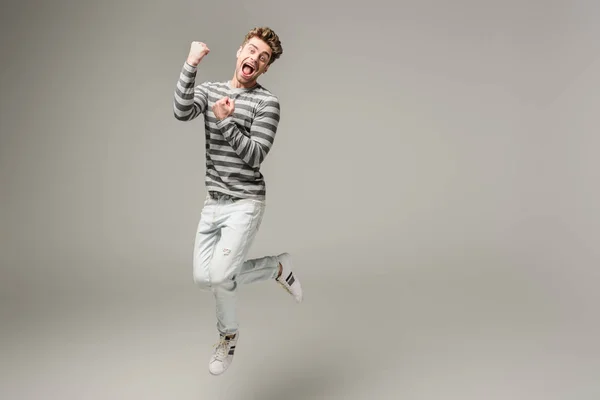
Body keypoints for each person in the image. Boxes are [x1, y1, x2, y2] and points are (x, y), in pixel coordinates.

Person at [172, 26, 303, 376]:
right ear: (239, 51)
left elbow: (256, 156)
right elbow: (182, 111)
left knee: (220, 276)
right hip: (213, 201)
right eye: (252, 50)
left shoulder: (267, 103)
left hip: (246, 201)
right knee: (206, 277)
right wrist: (191, 63)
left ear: (266, 68)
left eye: (263, 58)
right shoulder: (212, 90)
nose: (254, 59)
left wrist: (227, 123)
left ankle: (227, 338)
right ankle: (278, 268)